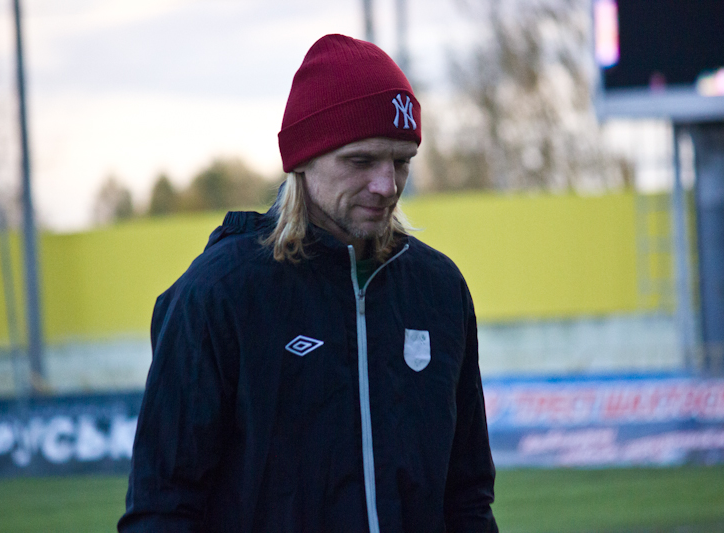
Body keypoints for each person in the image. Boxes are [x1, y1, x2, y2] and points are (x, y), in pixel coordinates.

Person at [118, 33, 497, 533]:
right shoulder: (219, 294)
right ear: (303, 158)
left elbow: (467, 499)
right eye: (360, 161)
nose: (386, 185)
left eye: (401, 162)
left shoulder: (439, 290)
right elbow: (162, 509)